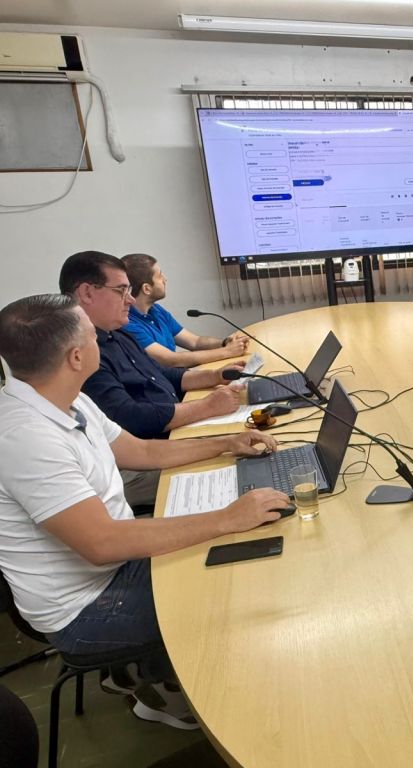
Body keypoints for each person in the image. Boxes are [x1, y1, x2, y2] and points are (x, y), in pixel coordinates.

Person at [0, 293, 289, 729]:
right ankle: (187, 696)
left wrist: (228, 443)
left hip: (117, 564)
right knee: (239, 590)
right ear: (76, 356)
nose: (102, 340)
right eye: (91, 335)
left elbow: (142, 452)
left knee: (244, 548)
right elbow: (102, 543)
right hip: (86, 607)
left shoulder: (68, 398)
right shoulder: (26, 437)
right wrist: (227, 518)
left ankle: (151, 673)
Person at [59, 251, 245, 506]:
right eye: (121, 291)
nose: (130, 299)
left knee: (246, 443)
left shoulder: (118, 333)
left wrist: (214, 376)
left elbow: (159, 374)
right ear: (87, 293)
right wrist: (206, 407)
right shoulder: (84, 354)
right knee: (236, 468)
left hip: (167, 437)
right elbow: (132, 420)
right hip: (143, 458)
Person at [121, 253, 249, 368]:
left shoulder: (156, 310)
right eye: (160, 276)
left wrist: (225, 343)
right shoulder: (127, 323)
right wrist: (227, 352)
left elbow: (195, 342)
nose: (165, 279)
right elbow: (171, 360)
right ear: (147, 289)